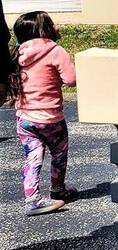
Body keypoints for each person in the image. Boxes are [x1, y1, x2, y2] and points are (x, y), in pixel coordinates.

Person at [4, 11, 77, 214]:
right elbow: (71, 79)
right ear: (44, 30)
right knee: (59, 154)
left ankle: (32, 199)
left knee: (33, 157)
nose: (57, 27)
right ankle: (58, 189)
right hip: (51, 118)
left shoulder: (17, 53)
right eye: (53, 24)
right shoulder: (55, 51)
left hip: (25, 119)